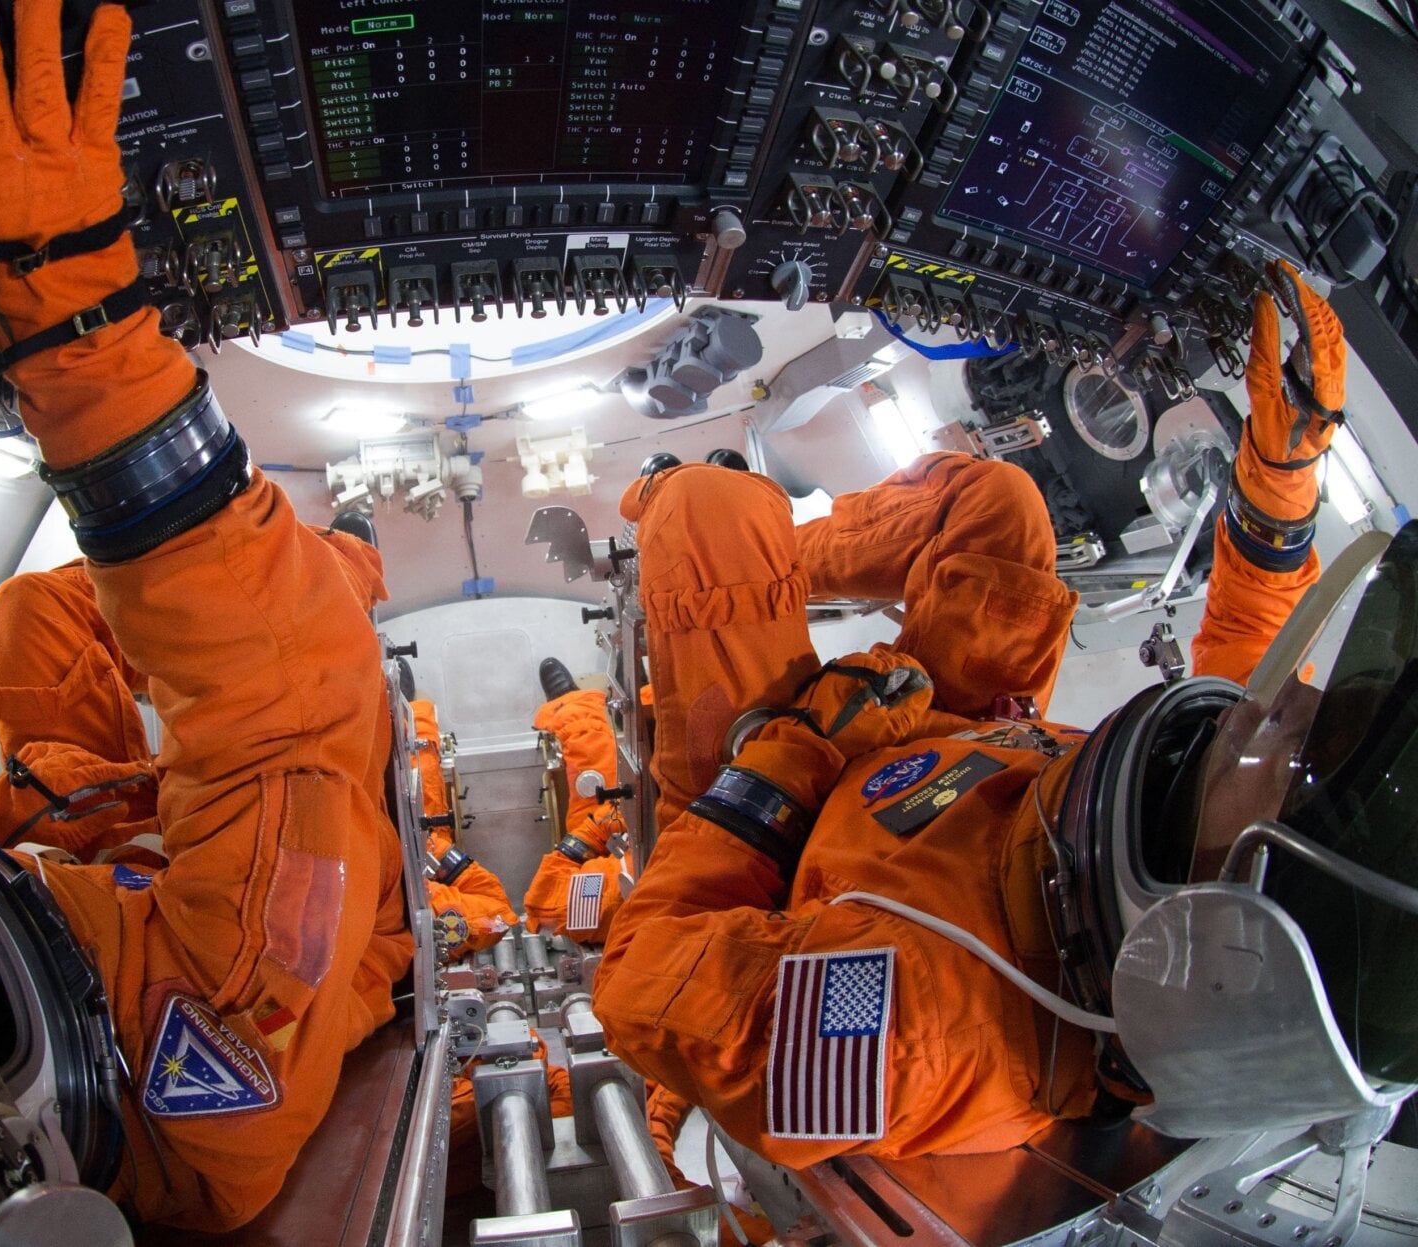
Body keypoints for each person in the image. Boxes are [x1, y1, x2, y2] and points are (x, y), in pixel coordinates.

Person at [590, 259, 1403, 1169]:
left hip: (780, 814)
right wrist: (1286, 471)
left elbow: (639, 978)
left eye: (1299, 747)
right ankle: (784, 551)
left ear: (1213, 927)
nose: (1294, 704)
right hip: (989, 775)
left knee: (708, 507)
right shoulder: (1204, 798)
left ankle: (690, 511)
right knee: (1002, 503)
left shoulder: (911, 1033)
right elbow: (1258, 647)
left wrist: (804, 746)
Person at [0, 0, 413, 1227]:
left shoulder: (168, 1049)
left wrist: (83, 351)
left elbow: (262, 686)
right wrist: (77, 351)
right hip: (188, 848)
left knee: (38, 610)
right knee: (268, 615)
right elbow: (287, 697)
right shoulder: (203, 1059)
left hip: (110, 855)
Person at [521, 657, 628, 942]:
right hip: (666, 836)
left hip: (630, 869)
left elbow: (548, 911)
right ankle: (647, 700)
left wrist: (592, 833)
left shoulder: (593, 903)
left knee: (594, 787)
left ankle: (571, 707)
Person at [409, 686, 520, 958]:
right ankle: (412, 716)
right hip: (406, 906)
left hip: (401, 859)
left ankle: (409, 717)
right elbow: (500, 914)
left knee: (419, 796)